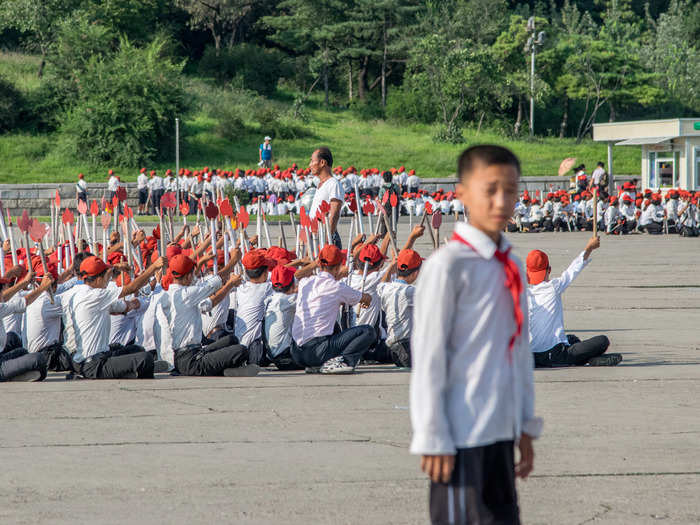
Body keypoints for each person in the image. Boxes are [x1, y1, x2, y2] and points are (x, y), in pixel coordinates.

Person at [410, 145, 542, 525]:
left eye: (511, 190)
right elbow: (429, 356)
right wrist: (432, 434)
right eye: (490, 189)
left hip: (499, 430)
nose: (502, 200)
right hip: (460, 436)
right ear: (462, 192)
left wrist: (525, 424)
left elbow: (518, 352)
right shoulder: (447, 266)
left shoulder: (512, 264)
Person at [526, 236, 621, 367]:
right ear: (549, 270)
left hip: (533, 356)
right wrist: (589, 248)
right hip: (555, 355)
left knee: (571, 338)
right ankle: (589, 360)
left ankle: (585, 359)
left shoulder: (524, 295)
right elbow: (573, 270)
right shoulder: (553, 287)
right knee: (602, 341)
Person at [160, 253, 257, 377]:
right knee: (241, 350)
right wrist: (233, 261)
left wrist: (229, 285)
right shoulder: (186, 294)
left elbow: (209, 303)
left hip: (191, 353)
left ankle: (224, 367)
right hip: (191, 362)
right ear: (189, 276)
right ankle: (224, 368)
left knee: (231, 340)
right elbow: (214, 283)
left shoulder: (171, 295)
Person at [72, 255, 162, 379]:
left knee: (137, 349)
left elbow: (119, 308)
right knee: (145, 359)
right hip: (94, 364)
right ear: (98, 279)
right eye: (106, 277)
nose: (108, 281)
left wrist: (131, 304)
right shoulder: (96, 295)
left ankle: (129, 371)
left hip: (97, 357)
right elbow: (132, 288)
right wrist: (154, 267)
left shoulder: (83, 293)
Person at [291, 245, 374, 374]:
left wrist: (315, 264)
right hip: (316, 351)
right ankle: (344, 361)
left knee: (333, 325)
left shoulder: (306, 283)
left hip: (296, 353)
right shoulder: (337, 287)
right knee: (368, 331)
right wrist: (366, 299)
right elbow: (366, 299)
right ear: (339, 266)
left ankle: (318, 364)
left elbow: (297, 275)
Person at [377, 246, 423, 368]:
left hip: (391, 347)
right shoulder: (410, 292)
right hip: (406, 349)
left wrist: (391, 266)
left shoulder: (386, 288)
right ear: (416, 273)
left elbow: (381, 283)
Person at [234, 249, 275, 366]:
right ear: (265, 273)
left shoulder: (241, 288)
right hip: (254, 349)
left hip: (240, 345)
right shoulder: (266, 288)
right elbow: (284, 279)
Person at [263, 265, 303, 370]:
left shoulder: (272, 298)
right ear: (292, 284)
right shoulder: (287, 300)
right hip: (285, 358)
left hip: (273, 354)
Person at [308, 147, 344, 248]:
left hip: (326, 237)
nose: (310, 165)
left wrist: (327, 240)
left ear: (322, 162)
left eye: (312, 161)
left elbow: (334, 212)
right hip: (316, 236)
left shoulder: (333, 184)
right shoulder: (320, 184)